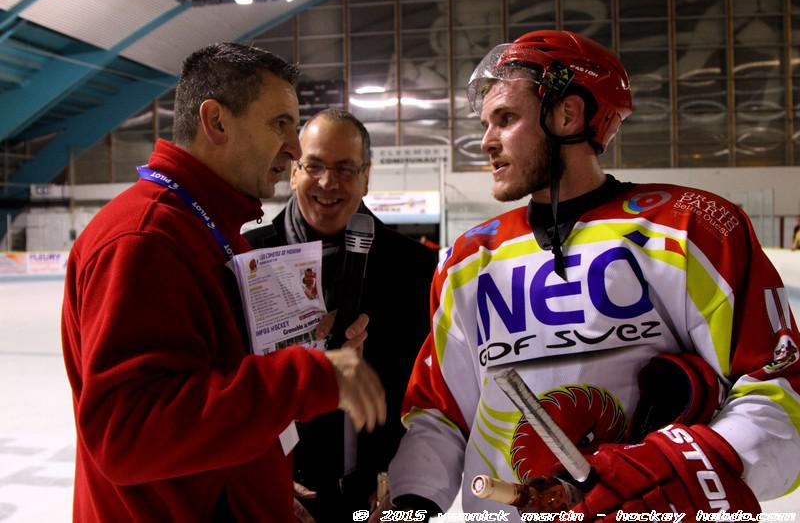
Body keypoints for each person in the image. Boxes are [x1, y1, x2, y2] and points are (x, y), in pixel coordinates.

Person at [383, 30, 800, 522]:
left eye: (506, 119)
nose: (486, 141)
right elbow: (441, 413)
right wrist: (408, 508)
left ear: (568, 115)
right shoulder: (467, 260)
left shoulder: (693, 228)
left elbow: (777, 387)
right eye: (486, 123)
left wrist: (673, 471)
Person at [60, 43, 387, 522]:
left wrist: (305, 352)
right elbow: (127, 433)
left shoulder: (213, 230)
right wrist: (308, 377)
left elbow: (217, 390)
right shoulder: (145, 240)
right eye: (280, 124)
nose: (294, 148)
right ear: (215, 121)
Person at [244, 108, 437, 522]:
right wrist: (260, 475)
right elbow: (228, 386)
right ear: (293, 172)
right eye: (313, 166)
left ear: (366, 177)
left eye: (346, 169)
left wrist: (408, 484)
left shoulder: (415, 268)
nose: (328, 182)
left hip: (380, 497)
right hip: (274, 494)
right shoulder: (248, 260)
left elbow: (429, 394)